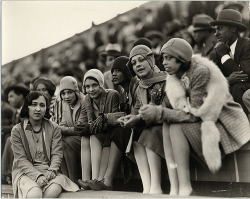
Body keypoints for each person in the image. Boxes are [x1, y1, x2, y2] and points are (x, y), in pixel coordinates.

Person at [138, 38, 250, 196]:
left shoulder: (201, 71)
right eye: (163, 58)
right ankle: (175, 187)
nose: (164, 62)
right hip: (201, 119)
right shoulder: (174, 77)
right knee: (167, 125)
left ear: (181, 58)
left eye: (168, 58)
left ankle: (185, 187)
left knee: (175, 126)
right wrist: (138, 118)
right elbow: (175, 109)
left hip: (223, 120)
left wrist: (158, 112)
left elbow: (195, 113)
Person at [118, 45, 167, 194]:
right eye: (134, 63)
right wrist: (129, 118)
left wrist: (138, 118)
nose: (138, 65)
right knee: (134, 135)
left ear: (151, 60)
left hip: (166, 123)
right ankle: (147, 186)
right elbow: (137, 109)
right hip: (149, 124)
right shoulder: (140, 86)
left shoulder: (165, 79)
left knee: (147, 131)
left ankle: (156, 186)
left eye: (141, 60)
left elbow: (166, 108)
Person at [10, 91, 79, 198]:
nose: (38, 109)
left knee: (52, 191)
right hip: (25, 172)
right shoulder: (17, 130)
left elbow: (57, 154)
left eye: (42, 105)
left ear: (46, 108)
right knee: (35, 193)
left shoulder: (54, 127)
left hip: (49, 171)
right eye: (34, 104)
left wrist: (52, 170)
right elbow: (21, 160)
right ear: (27, 107)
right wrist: (37, 176)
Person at [77, 69, 122, 190]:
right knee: (85, 138)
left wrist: (89, 127)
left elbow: (114, 120)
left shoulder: (112, 94)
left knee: (92, 135)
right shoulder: (86, 100)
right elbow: (81, 122)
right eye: (87, 86)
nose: (91, 89)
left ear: (101, 84)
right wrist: (81, 126)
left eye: (94, 85)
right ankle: (87, 180)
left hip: (111, 133)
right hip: (98, 134)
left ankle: (96, 179)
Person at [210, 9, 250, 115]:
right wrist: (228, 80)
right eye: (215, 30)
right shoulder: (220, 47)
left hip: (246, 90)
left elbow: (244, 75)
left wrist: (223, 55)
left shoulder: (247, 45)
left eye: (220, 29)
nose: (216, 33)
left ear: (233, 28)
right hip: (233, 91)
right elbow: (213, 76)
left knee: (237, 88)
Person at [58, 76, 86, 184]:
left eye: (69, 92)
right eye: (63, 93)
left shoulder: (84, 101)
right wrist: (62, 129)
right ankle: (67, 180)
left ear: (76, 91)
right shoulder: (65, 105)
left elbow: (79, 128)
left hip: (85, 137)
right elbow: (62, 124)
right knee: (58, 142)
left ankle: (73, 180)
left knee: (65, 142)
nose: (66, 96)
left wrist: (63, 130)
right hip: (73, 138)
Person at [1, 83, 30, 185]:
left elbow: (23, 126)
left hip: (29, 137)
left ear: (20, 96)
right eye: (8, 97)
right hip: (19, 136)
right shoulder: (16, 112)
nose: (9, 100)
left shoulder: (27, 110)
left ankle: (4, 174)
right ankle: (5, 173)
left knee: (10, 139)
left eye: (11, 96)